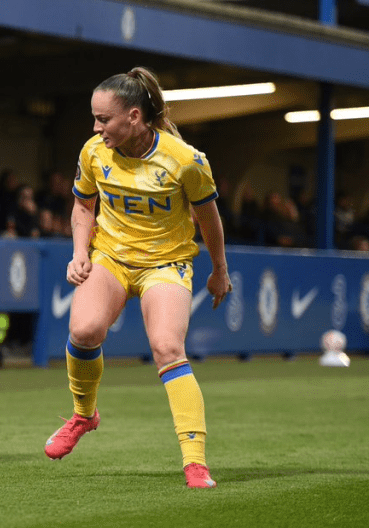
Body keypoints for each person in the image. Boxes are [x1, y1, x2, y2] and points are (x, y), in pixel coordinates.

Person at [45, 67, 230, 490]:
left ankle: (195, 463)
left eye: (103, 119)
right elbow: (83, 207)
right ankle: (83, 416)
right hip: (111, 257)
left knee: (167, 347)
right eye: (94, 119)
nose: (96, 128)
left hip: (166, 263)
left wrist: (219, 270)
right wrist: (79, 254)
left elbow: (209, 220)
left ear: (133, 116)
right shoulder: (94, 152)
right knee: (84, 331)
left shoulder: (185, 160)